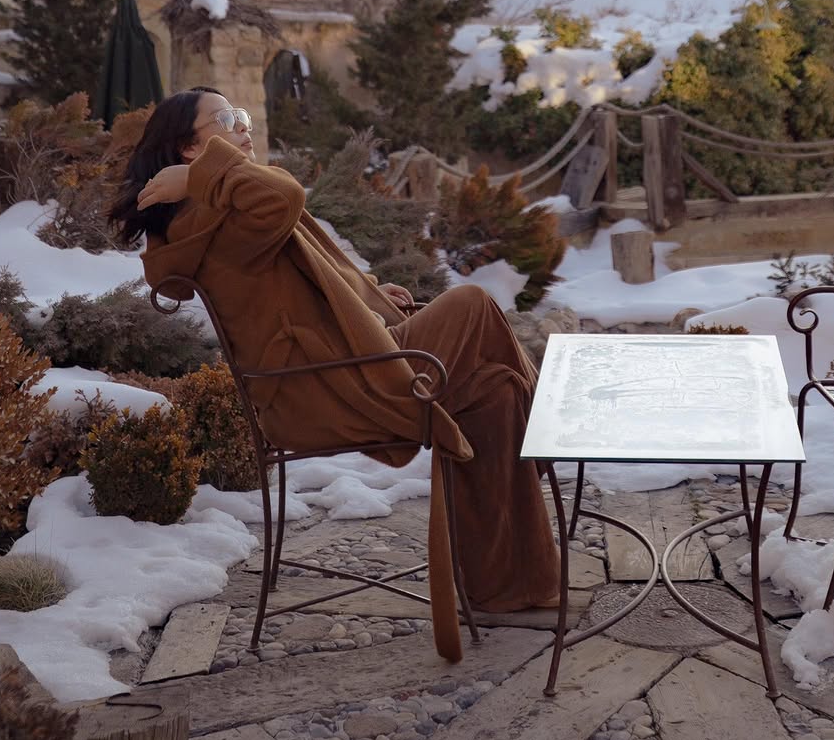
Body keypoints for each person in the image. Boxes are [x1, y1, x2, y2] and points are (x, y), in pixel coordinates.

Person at [108, 88, 561, 661]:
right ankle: (547, 439)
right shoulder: (209, 217)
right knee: (473, 303)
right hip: (327, 389)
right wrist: (200, 179)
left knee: (495, 391)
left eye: (243, 115)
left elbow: (288, 285)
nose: (244, 127)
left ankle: (508, 587)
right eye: (226, 120)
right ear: (188, 147)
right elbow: (285, 195)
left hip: (335, 367)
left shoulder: (220, 206)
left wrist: (367, 299)